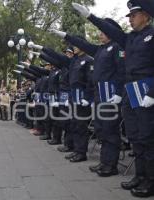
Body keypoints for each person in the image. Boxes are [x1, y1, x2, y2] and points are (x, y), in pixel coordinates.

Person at [73, 1, 154, 197]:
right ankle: (141, 175)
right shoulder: (130, 39)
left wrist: (152, 92)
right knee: (135, 136)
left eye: (134, 15)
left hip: (146, 88)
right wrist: (90, 17)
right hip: (131, 90)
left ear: (146, 15)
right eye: (129, 16)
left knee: (148, 137)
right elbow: (109, 30)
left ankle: (151, 180)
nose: (131, 19)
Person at [51, 18, 126, 177]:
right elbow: (84, 45)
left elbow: (121, 72)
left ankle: (110, 165)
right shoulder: (100, 49)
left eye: (103, 32)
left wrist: (119, 93)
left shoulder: (117, 47)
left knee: (109, 129)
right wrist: (66, 36)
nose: (100, 35)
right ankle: (104, 162)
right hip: (100, 93)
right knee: (100, 129)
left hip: (110, 93)